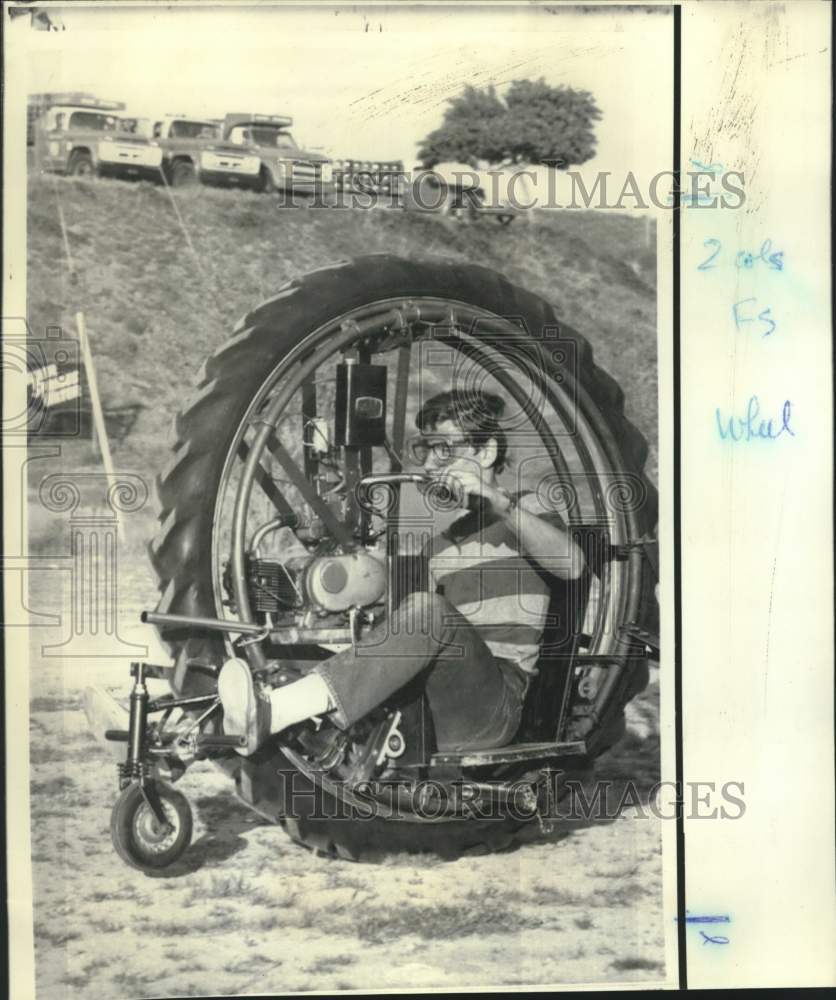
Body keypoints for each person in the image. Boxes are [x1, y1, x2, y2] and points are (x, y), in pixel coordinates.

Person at [218, 390, 586, 756]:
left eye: (445, 448)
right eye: (426, 450)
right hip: (431, 701)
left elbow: (572, 565)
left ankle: (278, 711)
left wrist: (501, 505)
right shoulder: (439, 545)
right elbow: (406, 635)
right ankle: (211, 729)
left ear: (486, 452)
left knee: (428, 612)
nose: (429, 465)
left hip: (493, 705)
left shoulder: (527, 509)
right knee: (298, 643)